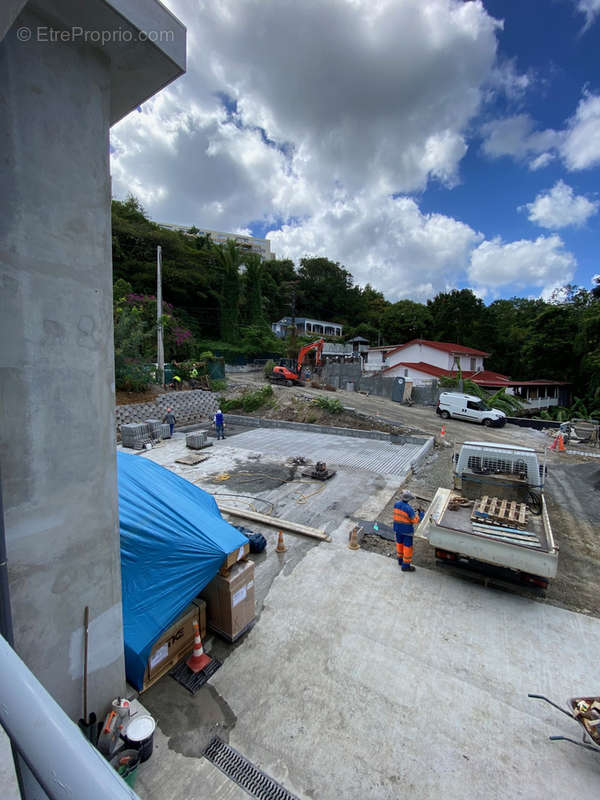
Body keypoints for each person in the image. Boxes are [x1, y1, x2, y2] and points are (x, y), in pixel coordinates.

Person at [393, 489, 424, 572]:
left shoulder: (396, 504)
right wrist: (421, 514)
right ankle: (405, 565)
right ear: (409, 499)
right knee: (407, 547)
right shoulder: (409, 509)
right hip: (407, 532)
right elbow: (415, 521)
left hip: (397, 529)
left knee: (399, 544)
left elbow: (401, 515)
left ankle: (400, 560)